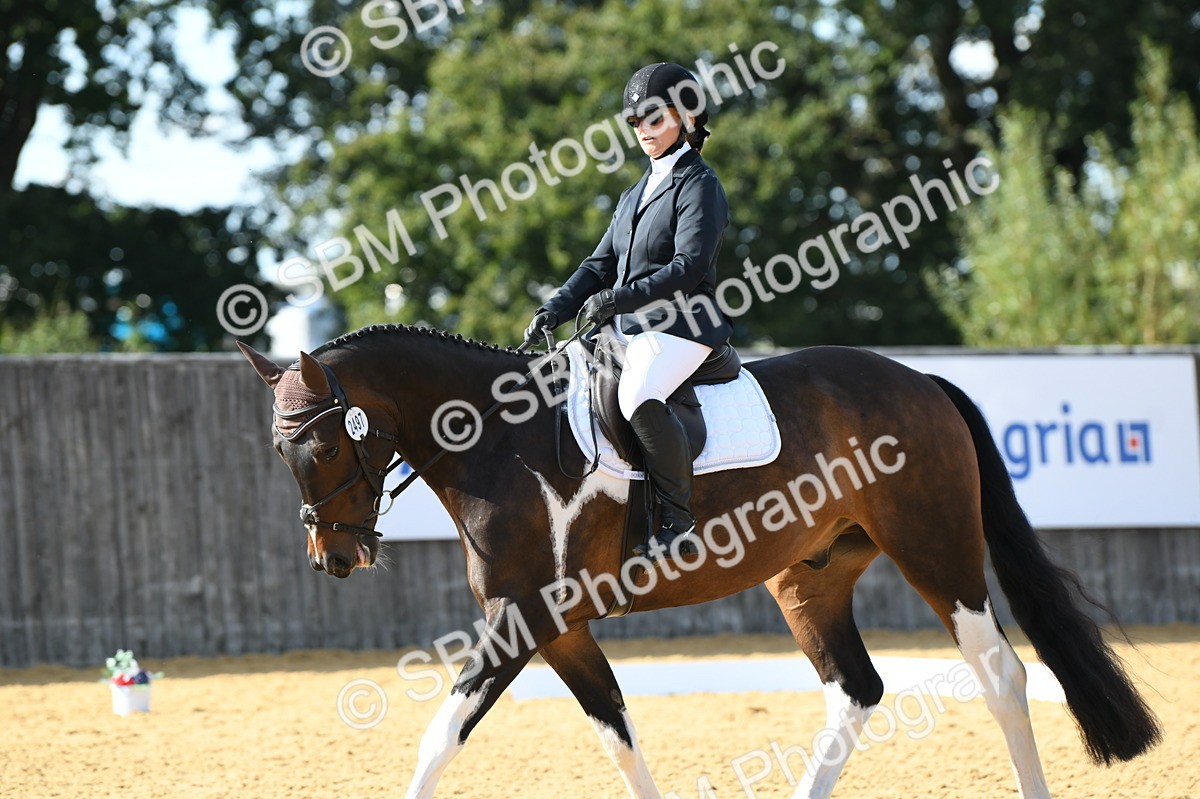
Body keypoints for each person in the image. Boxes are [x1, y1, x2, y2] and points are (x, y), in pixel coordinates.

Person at [524, 62, 733, 562]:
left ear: (685, 117)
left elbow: (688, 266)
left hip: (686, 324)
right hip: (631, 327)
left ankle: (680, 521)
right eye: (635, 122)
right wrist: (554, 309)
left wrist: (618, 300)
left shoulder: (699, 184)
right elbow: (598, 265)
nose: (643, 130)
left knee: (639, 392)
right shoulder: (633, 194)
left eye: (654, 119)